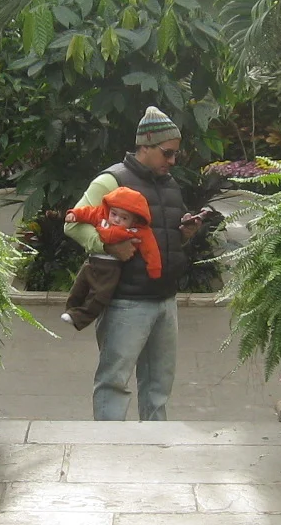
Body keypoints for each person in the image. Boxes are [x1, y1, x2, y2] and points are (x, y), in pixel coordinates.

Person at [64, 107, 207, 420]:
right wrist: (108, 246)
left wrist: (185, 233)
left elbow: (160, 238)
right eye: (167, 154)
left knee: (158, 386)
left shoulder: (168, 184)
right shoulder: (111, 180)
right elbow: (72, 223)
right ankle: (110, 453)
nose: (172, 162)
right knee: (114, 382)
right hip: (125, 302)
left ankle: (153, 451)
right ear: (145, 145)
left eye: (175, 155)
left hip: (165, 300)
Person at [58, 186, 159, 330]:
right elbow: (88, 212)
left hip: (111, 267)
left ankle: (80, 317)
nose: (117, 220)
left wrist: (154, 268)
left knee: (100, 295)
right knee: (79, 286)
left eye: (124, 218)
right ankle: (71, 309)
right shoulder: (102, 215)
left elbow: (151, 248)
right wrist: (74, 214)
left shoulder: (138, 231)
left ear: (134, 220)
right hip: (92, 261)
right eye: (114, 214)